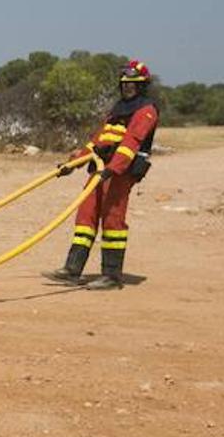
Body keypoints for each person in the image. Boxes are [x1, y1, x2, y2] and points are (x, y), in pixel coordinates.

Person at [44, 59, 159, 291]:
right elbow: (97, 141)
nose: (127, 87)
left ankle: (111, 276)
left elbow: (131, 143)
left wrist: (112, 169)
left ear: (141, 86)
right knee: (85, 216)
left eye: (132, 84)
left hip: (119, 172)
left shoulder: (146, 111)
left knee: (112, 220)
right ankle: (72, 270)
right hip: (101, 169)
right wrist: (72, 164)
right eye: (124, 83)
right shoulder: (117, 110)